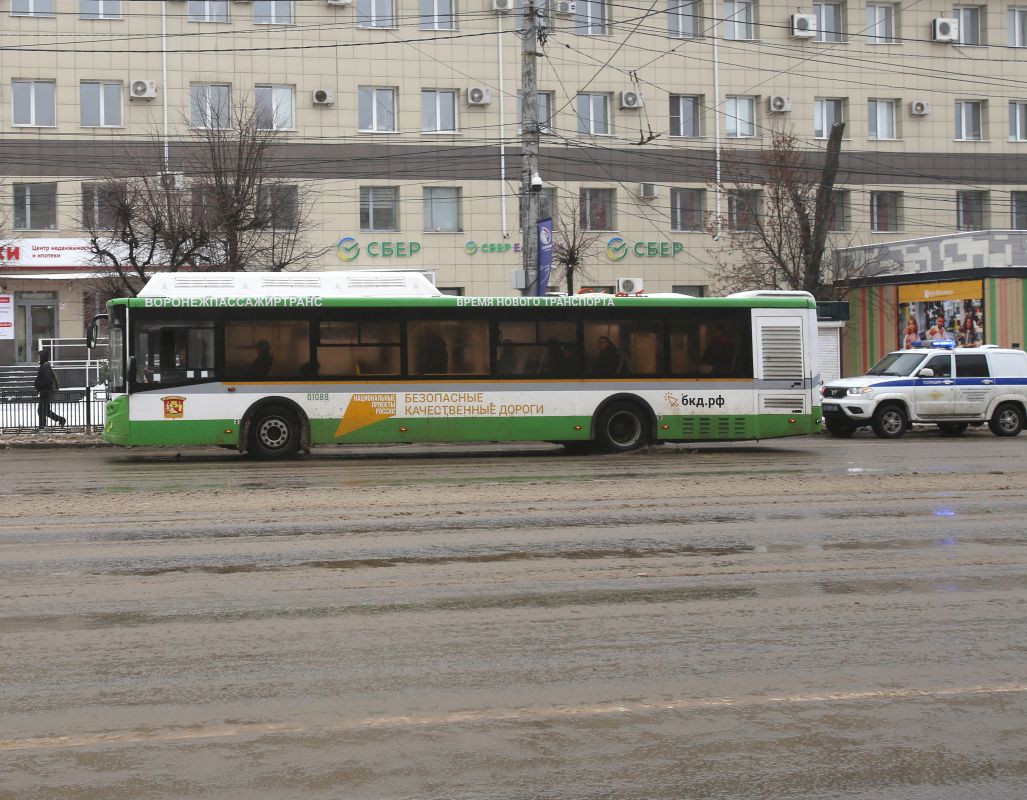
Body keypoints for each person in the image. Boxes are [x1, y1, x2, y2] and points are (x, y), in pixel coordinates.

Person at [34, 349, 66, 429]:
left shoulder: (45, 366)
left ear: (43, 357)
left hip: (46, 392)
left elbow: (47, 380)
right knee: (44, 410)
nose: (39, 357)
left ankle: (42, 426)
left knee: (41, 410)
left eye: (40, 356)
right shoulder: (44, 365)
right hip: (44, 392)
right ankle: (60, 420)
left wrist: (38, 384)